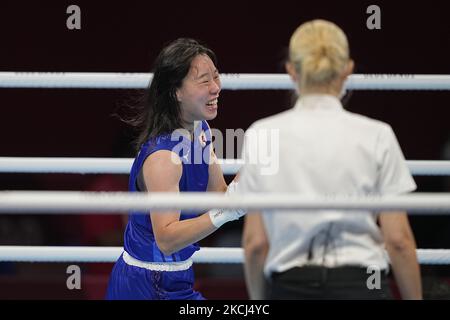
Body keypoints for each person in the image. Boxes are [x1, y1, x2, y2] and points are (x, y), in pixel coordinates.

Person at [239, 20, 422, 299]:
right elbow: (398, 241)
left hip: (291, 286)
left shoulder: (263, 134)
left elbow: (255, 243)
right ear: (347, 69)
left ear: (291, 70)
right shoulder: (377, 135)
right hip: (362, 286)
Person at [106, 38, 245, 300]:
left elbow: (220, 198)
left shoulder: (201, 130)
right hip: (146, 284)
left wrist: (251, 175)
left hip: (176, 276)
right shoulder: (163, 159)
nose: (216, 88)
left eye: (216, 77)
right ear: (176, 91)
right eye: (204, 81)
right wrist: (227, 212)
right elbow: (167, 239)